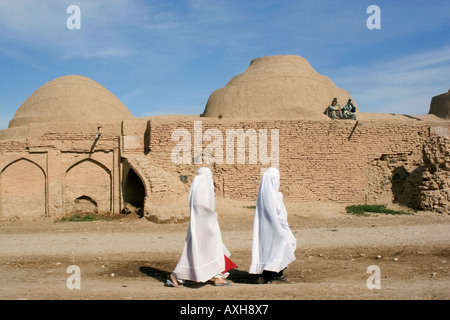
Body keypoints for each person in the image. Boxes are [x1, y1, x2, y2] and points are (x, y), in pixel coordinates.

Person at [167, 167, 236, 287]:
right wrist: (211, 219)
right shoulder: (201, 190)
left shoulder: (197, 188)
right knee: (201, 251)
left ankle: (218, 276)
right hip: (204, 227)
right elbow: (202, 208)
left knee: (214, 250)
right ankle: (177, 275)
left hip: (206, 225)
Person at [249, 167, 297, 284]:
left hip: (270, 228)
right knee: (283, 245)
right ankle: (267, 276)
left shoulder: (267, 194)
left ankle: (276, 273)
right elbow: (277, 212)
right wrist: (281, 227)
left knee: (274, 248)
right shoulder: (272, 195)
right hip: (276, 227)